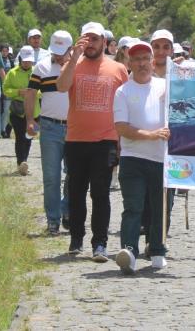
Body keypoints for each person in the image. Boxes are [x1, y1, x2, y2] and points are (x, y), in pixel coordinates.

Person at [56, 22, 129, 262]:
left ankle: (100, 244)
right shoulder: (72, 65)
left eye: (95, 39)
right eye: (86, 38)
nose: (90, 43)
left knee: (100, 194)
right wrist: (74, 57)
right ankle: (76, 239)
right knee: (76, 193)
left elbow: (126, 104)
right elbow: (61, 87)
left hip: (105, 141)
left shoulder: (118, 69)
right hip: (76, 139)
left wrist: (122, 141)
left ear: (104, 42)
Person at [113, 41, 171, 273]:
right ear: (129, 63)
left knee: (159, 208)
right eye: (136, 59)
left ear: (152, 61)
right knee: (133, 207)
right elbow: (121, 127)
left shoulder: (165, 86)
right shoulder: (123, 91)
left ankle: (157, 249)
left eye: (145, 59)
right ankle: (129, 251)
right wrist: (151, 134)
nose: (141, 64)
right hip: (133, 157)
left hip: (160, 158)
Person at [25, 30, 74, 235]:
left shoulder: (77, 68)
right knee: (51, 176)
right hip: (49, 126)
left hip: (74, 128)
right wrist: (29, 119)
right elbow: (30, 93)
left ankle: (68, 210)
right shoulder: (42, 66)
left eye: (62, 52)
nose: (58, 55)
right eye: (55, 51)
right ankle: (53, 219)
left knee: (74, 175)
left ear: (71, 50)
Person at [4, 46, 41, 175]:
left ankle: (24, 161)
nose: (27, 63)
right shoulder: (12, 73)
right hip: (17, 112)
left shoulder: (38, 71)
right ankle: (21, 162)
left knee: (30, 137)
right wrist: (18, 92)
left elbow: (43, 91)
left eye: (29, 61)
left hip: (35, 112)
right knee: (20, 137)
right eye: (25, 60)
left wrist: (33, 93)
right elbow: (6, 90)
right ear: (20, 59)